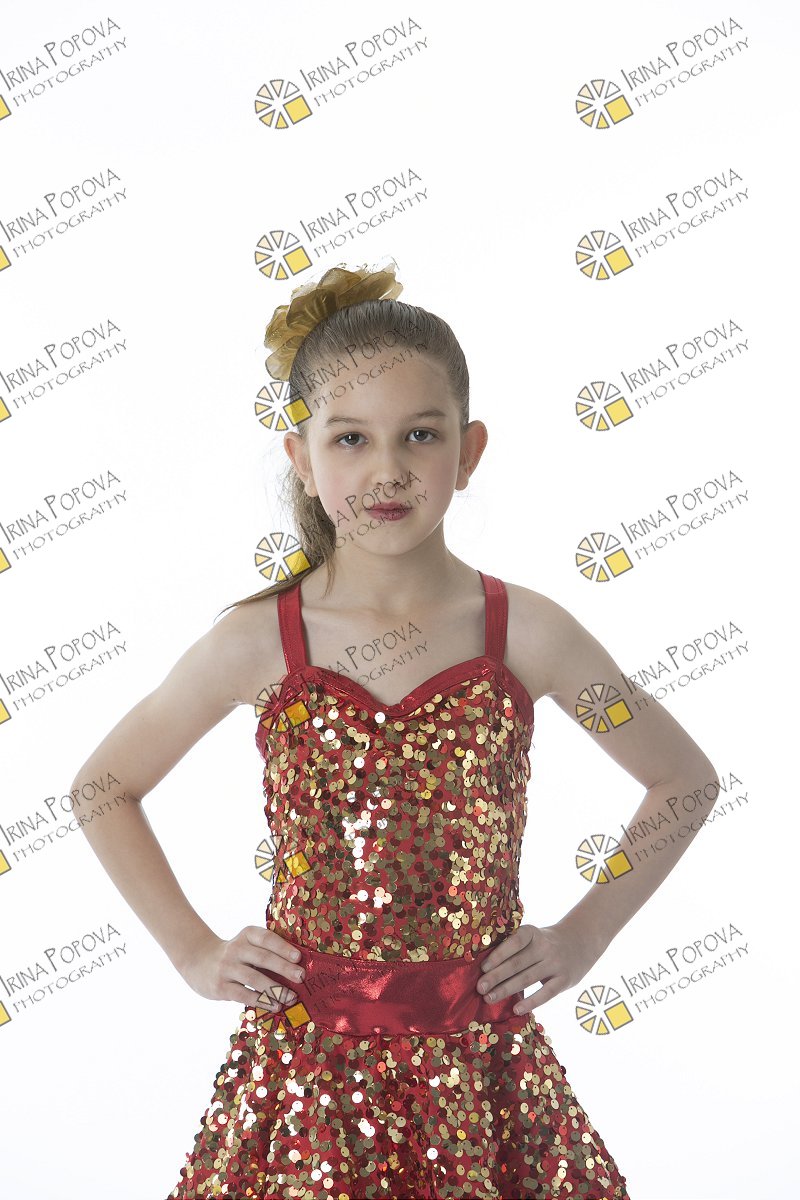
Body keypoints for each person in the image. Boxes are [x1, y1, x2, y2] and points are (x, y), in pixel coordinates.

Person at [71, 259, 719, 1199]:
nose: (387, 470)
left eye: (420, 435)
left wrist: (584, 936)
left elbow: (683, 782)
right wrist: (193, 950)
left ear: (469, 449)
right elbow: (103, 789)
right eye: (350, 439)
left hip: (482, 1073)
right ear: (302, 457)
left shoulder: (528, 634)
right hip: (307, 1081)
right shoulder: (259, 643)